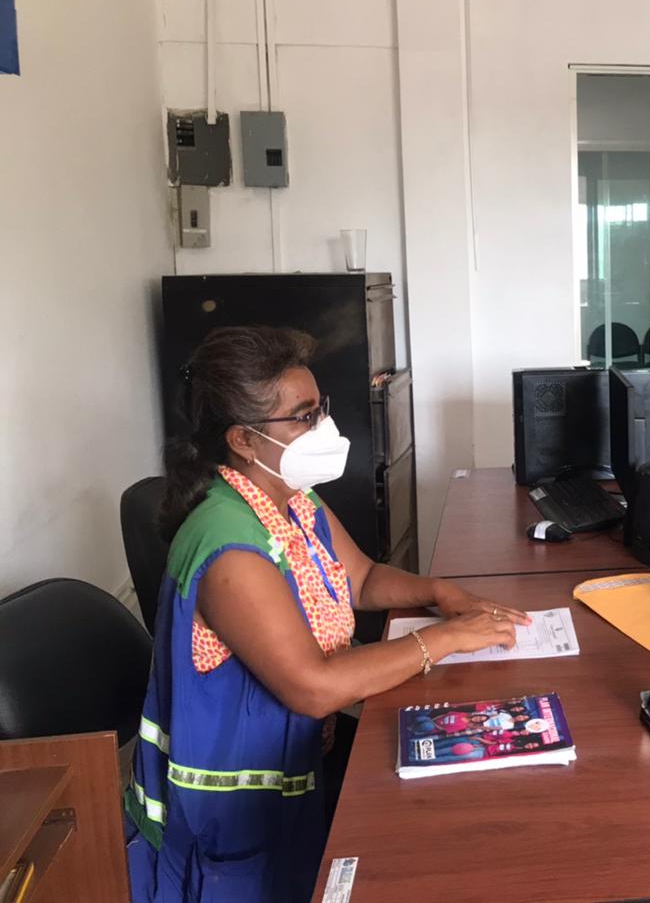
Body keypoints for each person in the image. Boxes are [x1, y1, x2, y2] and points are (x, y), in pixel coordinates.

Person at [125, 326, 532, 902]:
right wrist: (442, 640)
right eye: (304, 416)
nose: (324, 427)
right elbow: (313, 688)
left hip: (298, 755)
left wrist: (442, 593)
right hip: (234, 812)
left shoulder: (289, 497)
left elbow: (361, 577)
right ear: (243, 440)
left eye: (320, 409)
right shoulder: (229, 548)